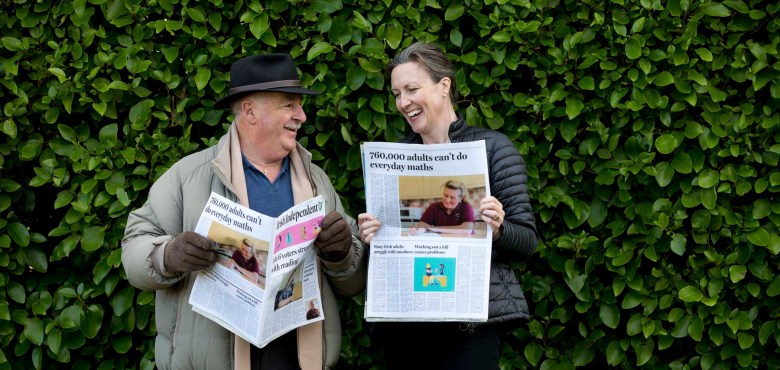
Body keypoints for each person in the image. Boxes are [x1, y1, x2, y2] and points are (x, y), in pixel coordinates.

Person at [122, 53, 366, 370]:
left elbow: (353, 282)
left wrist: (341, 254)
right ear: (250, 111)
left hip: (296, 358)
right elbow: (133, 248)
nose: (302, 116)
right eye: (289, 105)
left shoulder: (316, 181)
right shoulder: (188, 176)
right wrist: (167, 256)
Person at [357, 41, 538, 370]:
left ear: (444, 86)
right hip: (406, 324)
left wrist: (497, 229)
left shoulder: (493, 148)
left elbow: (527, 242)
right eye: (397, 93)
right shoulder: (392, 158)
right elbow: (390, 250)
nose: (403, 102)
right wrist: (372, 237)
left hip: (471, 327)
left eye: (412, 89)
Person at [409, 179, 475, 235]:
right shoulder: (433, 207)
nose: (447, 200)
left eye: (452, 197)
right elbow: (422, 225)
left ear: (461, 198)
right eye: (445, 195)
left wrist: (434, 228)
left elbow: (467, 229)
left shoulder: (466, 207)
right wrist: (417, 230)